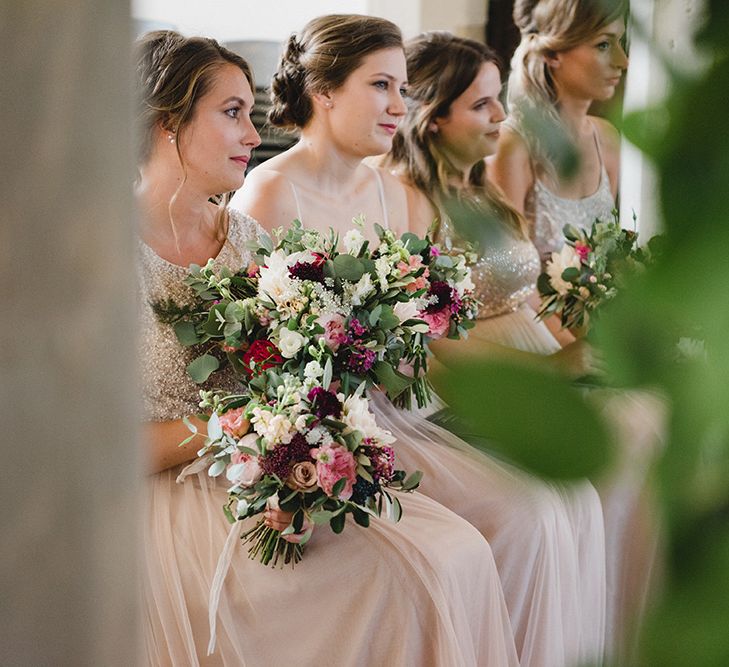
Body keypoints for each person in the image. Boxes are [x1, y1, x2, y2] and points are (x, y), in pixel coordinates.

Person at [136, 28, 518, 667]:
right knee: (408, 579)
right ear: (167, 122)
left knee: (460, 552)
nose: (255, 136)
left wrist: (312, 425)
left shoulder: (248, 238)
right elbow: (81, 450)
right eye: (233, 114)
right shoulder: (98, 257)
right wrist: (232, 426)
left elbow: (296, 369)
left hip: (267, 472)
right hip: (165, 496)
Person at [235, 17, 605, 667]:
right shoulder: (268, 193)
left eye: (403, 88)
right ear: (323, 89)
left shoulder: (387, 191)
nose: (399, 108)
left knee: (552, 501)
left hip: (408, 403)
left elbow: (421, 333)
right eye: (381, 86)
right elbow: (256, 352)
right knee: (523, 515)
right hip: (331, 422)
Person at [490, 2, 664, 660]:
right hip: (536, 345)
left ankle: (637, 626)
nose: (620, 64)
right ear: (555, 54)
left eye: (622, 47)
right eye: (604, 46)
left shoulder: (606, 142)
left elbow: (613, 259)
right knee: (633, 429)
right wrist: (576, 347)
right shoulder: (512, 146)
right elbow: (502, 281)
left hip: (595, 338)